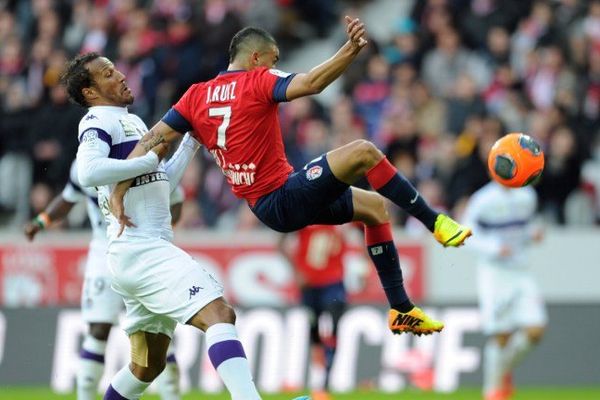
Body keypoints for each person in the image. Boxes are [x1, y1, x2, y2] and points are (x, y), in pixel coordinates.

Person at [111, 17, 472, 335]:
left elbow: (149, 141)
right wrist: (349, 51)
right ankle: (436, 222)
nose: (277, 66)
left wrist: (117, 190)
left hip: (267, 204)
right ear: (256, 59)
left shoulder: (195, 96)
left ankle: (402, 310)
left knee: (375, 208)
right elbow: (312, 83)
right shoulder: (257, 81)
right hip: (282, 195)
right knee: (363, 151)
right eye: (275, 60)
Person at [61, 53, 305, 400]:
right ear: (90, 92)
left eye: (116, 69)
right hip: (142, 249)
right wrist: (144, 161)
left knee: (147, 366)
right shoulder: (97, 120)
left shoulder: (129, 122)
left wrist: (190, 140)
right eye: (108, 74)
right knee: (219, 314)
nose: (121, 76)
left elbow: (158, 182)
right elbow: (87, 171)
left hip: (135, 253)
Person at [24, 159, 184, 400]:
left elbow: (176, 201)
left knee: (159, 334)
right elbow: (69, 197)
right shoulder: (85, 164)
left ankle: (172, 396)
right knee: (98, 330)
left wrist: (157, 229)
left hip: (145, 253)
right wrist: (41, 221)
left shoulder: (144, 159)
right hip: (104, 253)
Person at [462, 181, 547, 400]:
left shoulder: (527, 196)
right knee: (502, 334)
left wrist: (532, 234)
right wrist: (493, 248)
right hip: (494, 272)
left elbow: (523, 229)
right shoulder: (483, 200)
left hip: (520, 269)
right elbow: (465, 233)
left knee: (536, 330)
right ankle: (491, 391)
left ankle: (503, 369)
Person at [279, 225, 349, 400]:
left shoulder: (343, 210)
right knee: (314, 331)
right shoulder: (304, 215)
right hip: (310, 285)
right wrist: (297, 272)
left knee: (334, 324)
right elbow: (280, 242)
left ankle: (325, 381)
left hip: (334, 282)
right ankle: (319, 378)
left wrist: (366, 265)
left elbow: (366, 229)